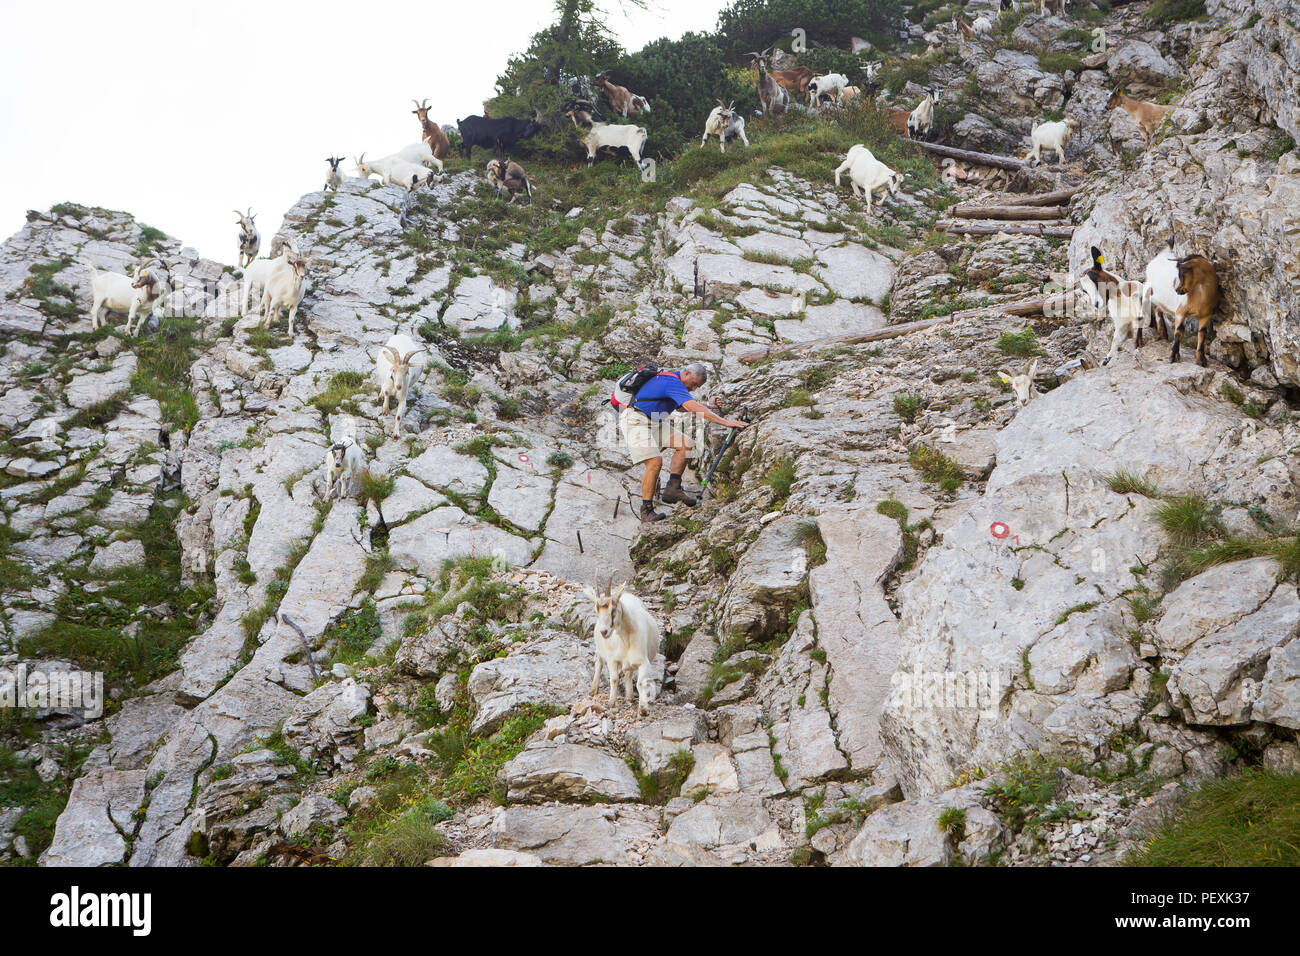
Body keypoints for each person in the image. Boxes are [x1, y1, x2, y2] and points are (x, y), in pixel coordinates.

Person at [619, 362, 748, 522]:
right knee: (654, 462)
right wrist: (726, 422)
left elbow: (681, 407)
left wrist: (708, 405)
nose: (694, 389)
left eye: (697, 387)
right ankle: (647, 510)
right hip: (635, 420)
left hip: (655, 421)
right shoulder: (671, 381)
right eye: (694, 384)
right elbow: (692, 407)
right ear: (686, 373)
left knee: (686, 444)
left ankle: (673, 488)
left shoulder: (675, 383)